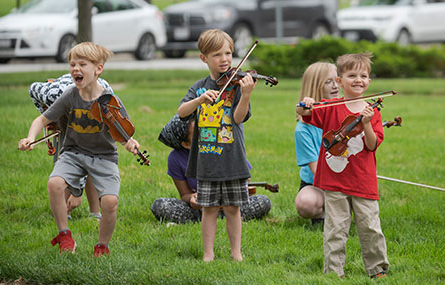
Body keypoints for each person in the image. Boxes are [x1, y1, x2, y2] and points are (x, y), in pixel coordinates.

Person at [18, 42, 141, 257]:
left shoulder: (110, 100)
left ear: (98, 69)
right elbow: (42, 119)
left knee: (110, 202)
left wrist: (130, 143)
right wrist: (30, 137)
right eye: (72, 64)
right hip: (73, 153)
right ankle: (64, 235)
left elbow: (122, 132)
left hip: (103, 156)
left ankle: (102, 246)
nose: (76, 69)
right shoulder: (70, 95)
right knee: (54, 183)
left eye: (82, 64)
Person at [296, 53, 389, 278]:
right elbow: (303, 114)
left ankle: (377, 269)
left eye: (363, 75)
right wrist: (305, 104)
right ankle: (333, 272)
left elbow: (371, 144)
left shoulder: (372, 111)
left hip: (362, 181)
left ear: (369, 81)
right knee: (335, 229)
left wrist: (366, 123)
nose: (358, 79)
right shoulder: (330, 107)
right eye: (352, 75)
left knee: (370, 228)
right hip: (334, 181)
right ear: (339, 81)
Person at [177, 29, 255, 262]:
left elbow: (239, 118)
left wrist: (247, 95)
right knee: (209, 209)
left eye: (228, 53)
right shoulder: (199, 87)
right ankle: (208, 253)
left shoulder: (237, 85)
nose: (224, 59)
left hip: (233, 158)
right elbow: (181, 112)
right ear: (204, 58)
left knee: (233, 208)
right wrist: (200, 100)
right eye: (217, 54)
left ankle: (236, 253)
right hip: (207, 159)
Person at [152, 114, 271, 224]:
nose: (206, 133)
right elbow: (185, 195)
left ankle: (222, 217)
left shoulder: (223, 143)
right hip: (200, 209)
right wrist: (193, 199)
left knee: (263, 201)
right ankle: (215, 218)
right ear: (186, 144)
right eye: (198, 133)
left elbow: (247, 181)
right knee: (160, 205)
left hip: (229, 205)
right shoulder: (175, 158)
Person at [29, 74, 113, 221]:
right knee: (63, 163)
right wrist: (49, 117)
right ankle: (64, 210)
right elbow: (32, 89)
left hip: (97, 119)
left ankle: (94, 213)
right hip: (63, 104)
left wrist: (77, 193)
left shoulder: (103, 98)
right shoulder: (52, 95)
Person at [294, 62, 340, 225]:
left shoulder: (343, 115)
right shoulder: (304, 129)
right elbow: (317, 171)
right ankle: (323, 216)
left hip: (345, 179)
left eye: (337, 80)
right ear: (315, 86)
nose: (335, 86)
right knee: (306, 202)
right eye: (328, 82)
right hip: (317, 183)